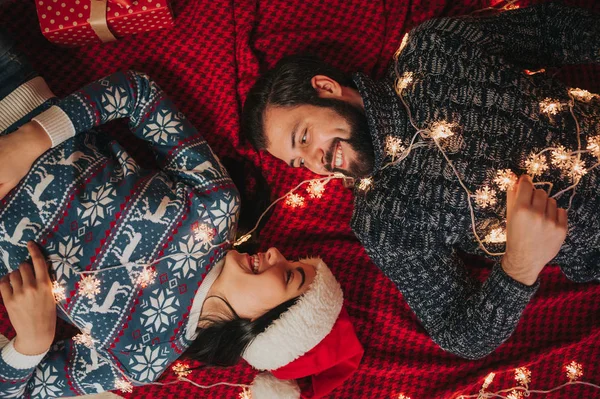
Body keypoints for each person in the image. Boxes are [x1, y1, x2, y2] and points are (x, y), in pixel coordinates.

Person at [0, 30, 363, 398]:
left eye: (289, 276)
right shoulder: (218, 206)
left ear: (267, 328)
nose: (275, 253)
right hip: (12, 98)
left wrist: (32, 340)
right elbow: (137, 93)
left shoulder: (142, 358)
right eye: (292, 261)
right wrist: (28, 141)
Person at [242, 3, 600, 359]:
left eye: (304, 138)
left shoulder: (432, 49)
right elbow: (459, 333)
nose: (315, 163)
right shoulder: (384, 221)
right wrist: (520, 265)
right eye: (299, 162)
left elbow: (548, 29)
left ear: (326, 88)